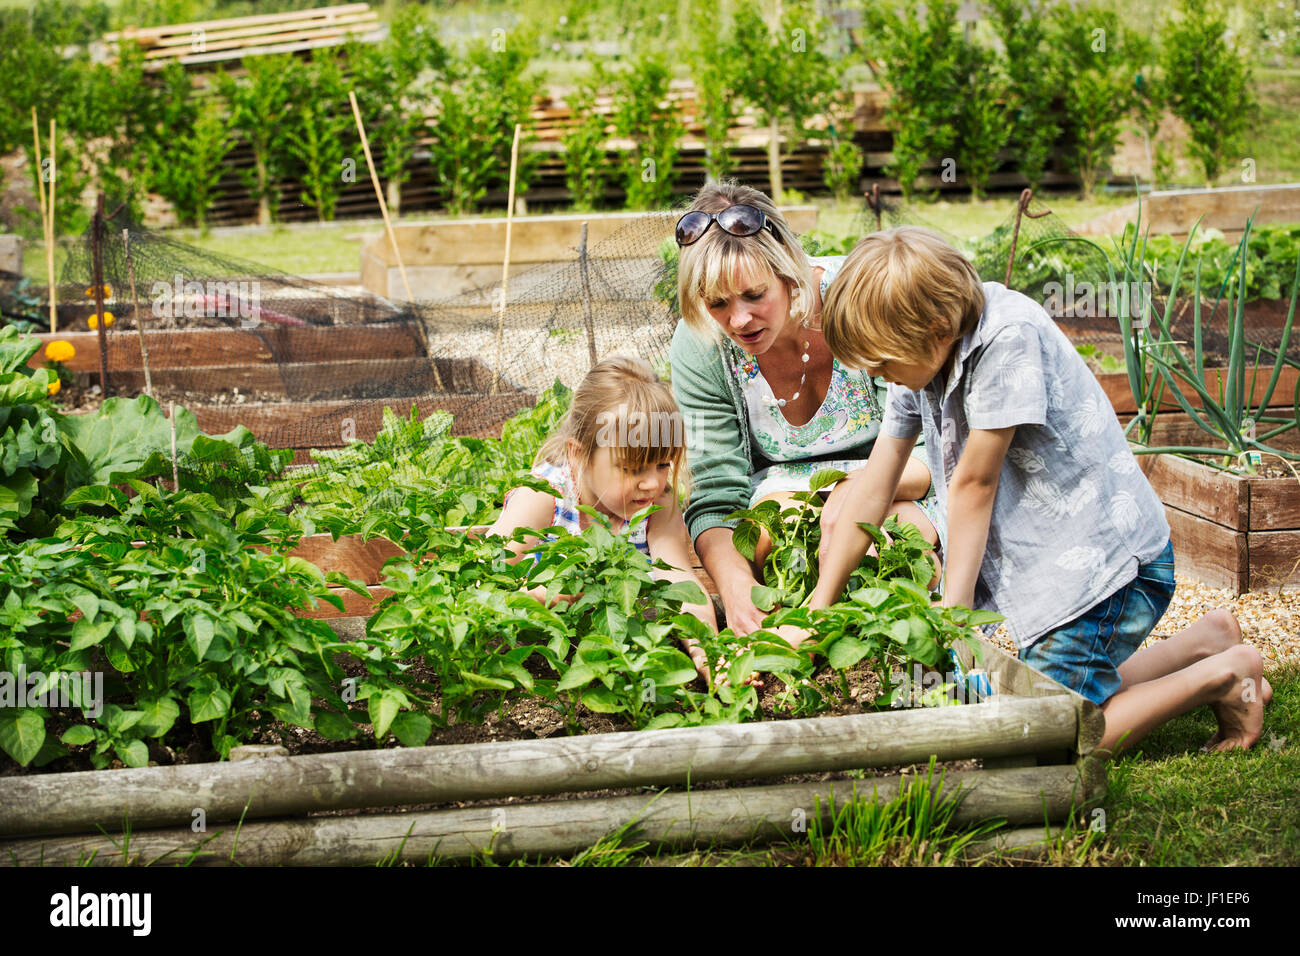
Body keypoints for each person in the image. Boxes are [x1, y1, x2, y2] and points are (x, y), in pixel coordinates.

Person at [809, 225, 1268, 756]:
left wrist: (954, 616)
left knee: (1048, 741)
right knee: (1035, 697)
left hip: (1106, 570)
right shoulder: (917, 364)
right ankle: (1206, 644)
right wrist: (820, 607)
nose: (878, 374)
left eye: (883, 362)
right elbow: (875, 484)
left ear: (935, 327)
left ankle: (1229, 675)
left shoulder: (1008, 339)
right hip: (1057, 573)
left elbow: (974, 484)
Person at [670, 181, 941, 636]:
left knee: (899, 547)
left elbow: (932, 447)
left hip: (898, 481)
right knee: (771, 547)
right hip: (780, 498)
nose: (738, 320)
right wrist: (735, 589)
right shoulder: (701, 344)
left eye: (755, 295)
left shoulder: (857, 300)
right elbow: (716, 493)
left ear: (789, 272)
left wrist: (855, 490)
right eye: (718, 303)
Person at [487, 355, 716, 676]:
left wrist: (706, 650)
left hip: (619, 657)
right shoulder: (543, 497)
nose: (652, 483)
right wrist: (547, 593)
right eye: (632, 468)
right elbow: (486, 579)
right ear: (578, 454)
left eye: (663, 465)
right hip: (539, 658)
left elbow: (680, 581)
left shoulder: (658, 503)